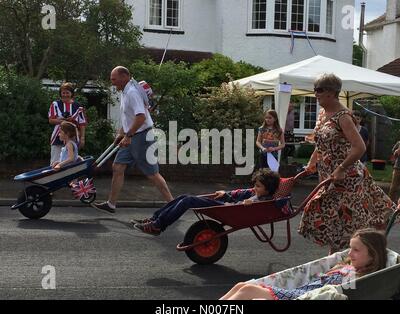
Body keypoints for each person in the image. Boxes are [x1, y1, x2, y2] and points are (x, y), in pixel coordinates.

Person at [298, 73, 395, 253]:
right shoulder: (322, 114)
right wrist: (312, 162)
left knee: (348, 224)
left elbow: (359, 147)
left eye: (319, 90)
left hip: (347, 179)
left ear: (332, 92)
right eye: (315, 89)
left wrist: (341, 168)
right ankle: (341, 259)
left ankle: (360, 259)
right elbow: (321, 143)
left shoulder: (343, 116)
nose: (315, 94)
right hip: (329, 177)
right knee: (333, 220)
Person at [92, 66, 173, 214]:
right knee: (117, 167)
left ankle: (173, 205)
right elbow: (128, 117)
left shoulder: (132, 92)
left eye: (114, 79)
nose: (113, 83)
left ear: (124, 77)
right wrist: (121, 133)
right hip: (131, 135)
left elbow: (141, 117)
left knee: (152, 173)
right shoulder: (125, 91)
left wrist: (128, 136)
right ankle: (111, 204)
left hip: (142, 136)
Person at [220, 228, 387, 300]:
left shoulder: (362, 279)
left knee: (248, 289)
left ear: (373, 256)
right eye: (350, 248)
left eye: (356, 250)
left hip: (302, 297)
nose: (349, 254)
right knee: (241, 285)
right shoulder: (347, 266)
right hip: (299, 291)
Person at [131, 168, 280, 236]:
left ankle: (157, 226)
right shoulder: (255, 192)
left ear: (268, 189)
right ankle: (155, 219)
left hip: (230, 210)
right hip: (229, 207)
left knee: (188, 200)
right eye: (255, 185)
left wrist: (249, 204)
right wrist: (225, 194)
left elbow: (268, 206)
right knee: (184, 197)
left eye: (258, 186)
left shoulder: (264, 200)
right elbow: (240, 193)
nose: (254, 188)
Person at [48, 82, 87, 165]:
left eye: (67, 93)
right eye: (63, 93)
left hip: (73, 137)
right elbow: (51, 120)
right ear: (60, 93)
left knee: (71, 159)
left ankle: (72, 177)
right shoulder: (55, 104)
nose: (65, 95)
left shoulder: (78, 106)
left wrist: (82, 138)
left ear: (71, 93)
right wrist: (64, 121)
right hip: (58, 136)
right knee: (55, 161)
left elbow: (82, 123)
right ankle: (55, 177)